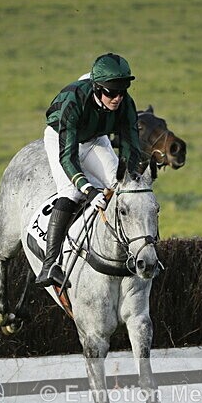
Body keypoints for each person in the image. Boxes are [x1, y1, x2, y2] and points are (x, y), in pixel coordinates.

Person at [35, 53, 142, 287]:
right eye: (111, 93)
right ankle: (50, 264)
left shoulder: (126, 104)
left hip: (95, 140)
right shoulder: (73, 100)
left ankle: (131, 250)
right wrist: (90, 190)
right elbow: (68, 157)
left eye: (122, 92)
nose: (117, 99)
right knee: (71, 192)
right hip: (61, 140)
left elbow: (131, 147)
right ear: (96, 88)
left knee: (120, 186)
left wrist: (130, 178)